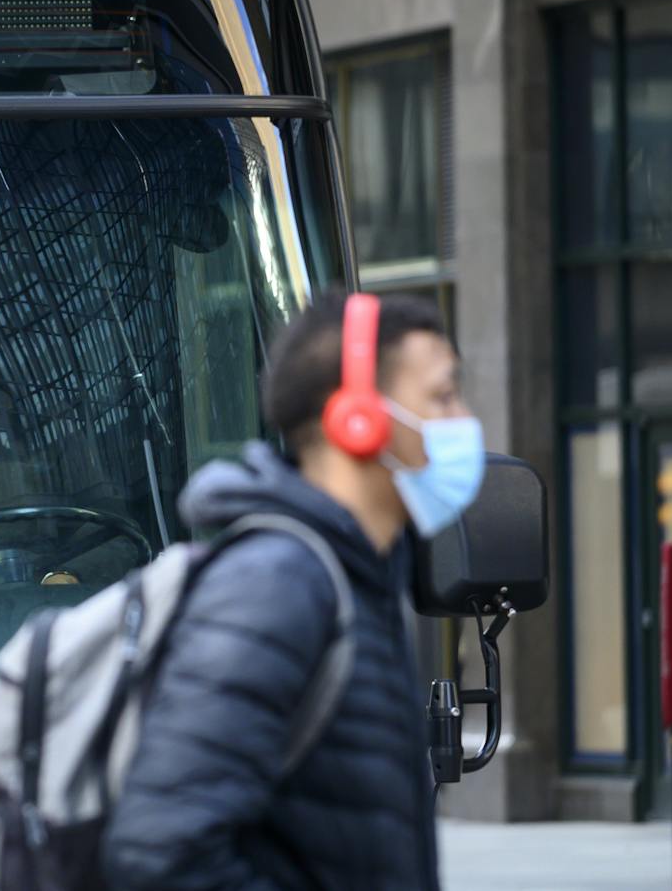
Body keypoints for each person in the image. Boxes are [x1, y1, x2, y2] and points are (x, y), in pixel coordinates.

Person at [102, 291, 484, 891]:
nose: (464, 421)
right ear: (356, 419)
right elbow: (158, 852)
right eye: (441, 396)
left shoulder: (364, 577)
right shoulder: (278, 585)